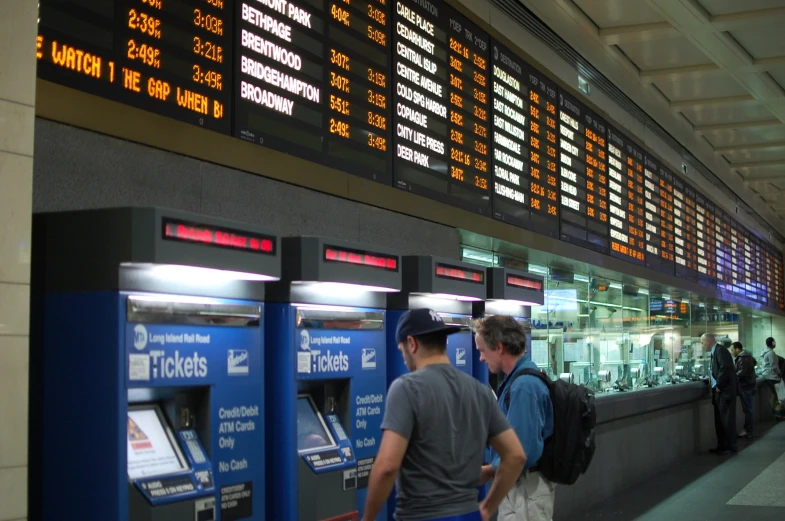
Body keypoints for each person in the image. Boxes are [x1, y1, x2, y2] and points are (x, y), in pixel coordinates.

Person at [362, 309, 526, 521]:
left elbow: (387, 466)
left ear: (412, 344)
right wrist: (487, 507)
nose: (404, 359)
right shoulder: (480, 391)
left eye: (402, 350)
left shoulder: (406, 388)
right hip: (469, 514)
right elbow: (515, 455)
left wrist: (367, 518)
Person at [474, 315, 555, 521]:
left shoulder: (523, 387)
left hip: (526, 491)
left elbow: (523, 451)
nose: (481, 358)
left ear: (499, 347)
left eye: (483, 350)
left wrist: (490, 469)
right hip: (519, 488)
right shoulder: (517, 381)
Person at [701, 333, 738, 454]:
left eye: (702, 343)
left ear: (708, 341)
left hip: (724, 392)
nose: (702, 346)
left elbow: (725, 368)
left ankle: (729, 446)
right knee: (720, 420)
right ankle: (721, 445)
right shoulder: (716, 351)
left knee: (727, 420)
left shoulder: (720, 351)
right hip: (720, 392)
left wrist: (719, 385)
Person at [730, 341, 756, 438]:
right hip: (750, 385)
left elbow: (742, 372)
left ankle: (748, 430)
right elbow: (754, 362)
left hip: (746, 386)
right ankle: (748, 429)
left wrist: (732, 375)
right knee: (748, 410)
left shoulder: (742, 358)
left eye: (732, 350)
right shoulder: (747, 356)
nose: (732, 352)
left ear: (738, 349)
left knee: (748, 410)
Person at [756, 337, 783, 417]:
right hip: (772, 377)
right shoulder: (771, 353)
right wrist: (779, 373)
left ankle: (775, 413)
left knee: (775, 395)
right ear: (773, 343)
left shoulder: (765, 352)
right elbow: (774, 366)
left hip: (767, 376)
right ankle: (777, 414)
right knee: (778, 396)